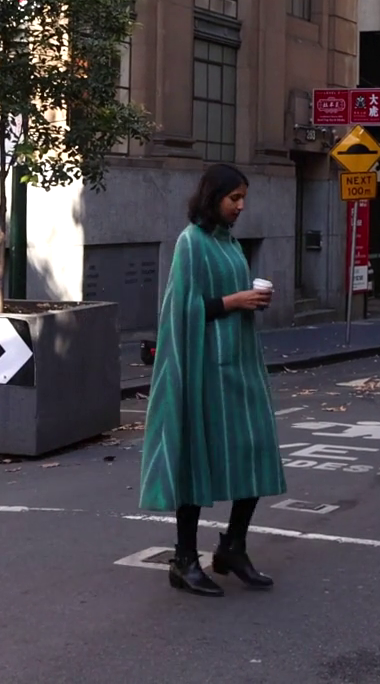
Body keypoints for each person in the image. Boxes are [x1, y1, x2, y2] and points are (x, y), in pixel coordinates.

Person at [139, 164, 287, 596]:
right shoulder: (192, 242)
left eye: (244, 199)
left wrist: (251, 301)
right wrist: (234, 301)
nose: (241, 207)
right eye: (233, 198)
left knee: (255, 448)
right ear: (213, 198)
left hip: (240, 364)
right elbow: (179, 310)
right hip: (204, 368)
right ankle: (184, 559)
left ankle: (232, 547)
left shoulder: (230, 243)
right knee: (196, 455)